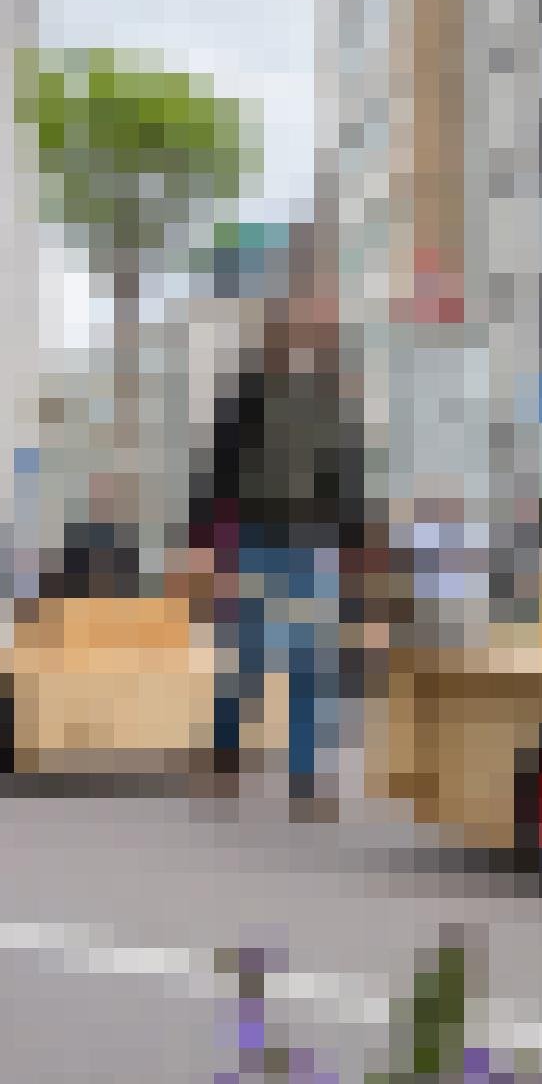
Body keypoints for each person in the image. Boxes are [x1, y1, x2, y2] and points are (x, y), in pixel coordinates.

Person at [184, 296, 377, 818]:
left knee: (311, 665)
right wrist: (209, 547)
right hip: (255, 540)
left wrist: (355, 548)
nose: (304, 334)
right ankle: (227, 757)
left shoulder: (328, 399)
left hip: (313, 545)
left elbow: (346, 478)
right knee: (245, 660)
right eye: (294, 326)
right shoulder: (249, 394)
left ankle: (304, 776)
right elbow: (217, 473)